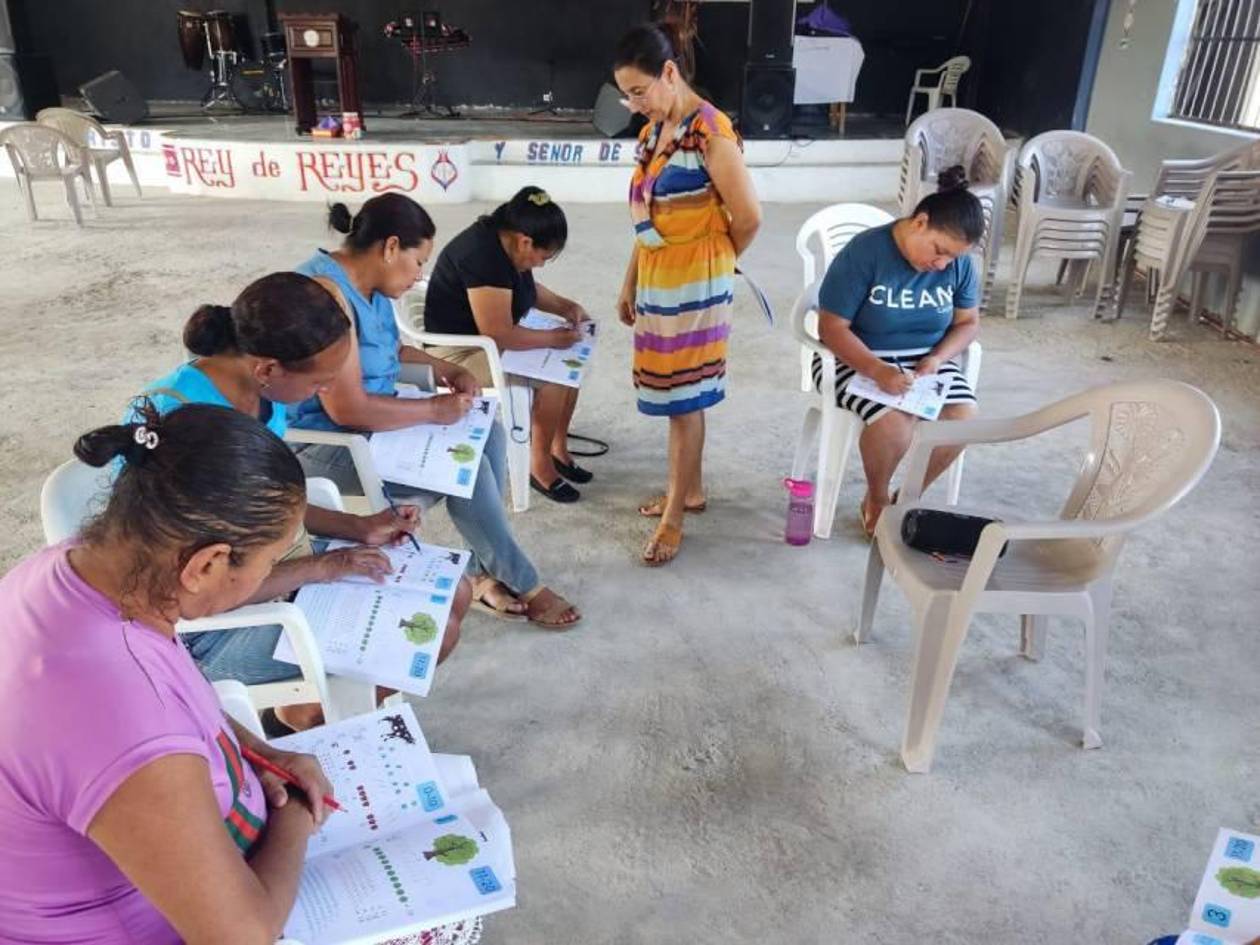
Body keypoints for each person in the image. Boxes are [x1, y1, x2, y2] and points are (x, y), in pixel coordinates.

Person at [0, 403, 335, 944]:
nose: (269, 574)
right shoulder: (119, 717)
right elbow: (240, 937)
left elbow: (176, 692)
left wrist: (258, 751)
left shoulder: (76, 569)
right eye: (271, 561)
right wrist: (296, 813)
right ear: (206, 565)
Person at [135, 271, 469, 731]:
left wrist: (361, 527)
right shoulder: (185, 429)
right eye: (320, 383)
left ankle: (307, 712)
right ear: (269, 369)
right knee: (432, 631)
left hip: (274, 570)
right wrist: (324, 566)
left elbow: (269, 501)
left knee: (456, 591)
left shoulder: (262, 393)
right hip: (205, 632)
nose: (327, 392)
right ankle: (314, 716)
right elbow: (196, 591)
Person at [290, 193, 581, 630]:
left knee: (488, 433)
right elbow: (347, 408)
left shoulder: (371, 284)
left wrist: (448, 369)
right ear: (391, 247)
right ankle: (524, 582)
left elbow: (393, 351)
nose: (419, 276)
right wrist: (430, 410)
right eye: (418, 262)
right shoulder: (326, 295)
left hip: (372, 430)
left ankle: (482, 574)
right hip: (326, 445)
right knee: (464, 467)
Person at [612, 22, 762, 566]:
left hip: (696, 285)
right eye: (627, 95)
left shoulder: (711, 133)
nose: (634, 105)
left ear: (669, 73)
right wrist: (631, 280)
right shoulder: (654, 132)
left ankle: (675, 516)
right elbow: (647, 218)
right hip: (659, 279)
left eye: (639, 91)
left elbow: (748, 217)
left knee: (684, 400)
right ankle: (689, 490)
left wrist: (713, 264)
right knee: (674, 393)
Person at [813, 165, 983, 537]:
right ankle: (876, 498)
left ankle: (906, 498)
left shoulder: (959, 266)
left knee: (962, 418)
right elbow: (831, 328)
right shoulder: (865, 253)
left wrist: (937, 358)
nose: (942, 265)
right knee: (893, 422)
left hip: (924, 361)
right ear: (920, 223)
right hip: (856, 355)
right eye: (939, 251)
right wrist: (877, 370)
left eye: (952, 259)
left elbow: (968, 322)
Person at [424, 185, 593, 504]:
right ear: (525, 241)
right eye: (543, 257)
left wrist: (566, 307)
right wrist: (553, 339)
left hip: (483, 342)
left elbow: (527, 288)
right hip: (457, 354)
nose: (540, 264)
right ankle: (538, 466)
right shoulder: (482, 256)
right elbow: (499, 334)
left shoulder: (507, 244)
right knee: (554, 377)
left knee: (571, 362)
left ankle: (557, 449)